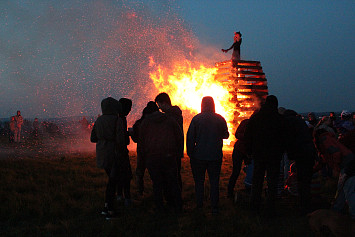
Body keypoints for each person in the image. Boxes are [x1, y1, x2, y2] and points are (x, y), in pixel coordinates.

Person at [244, 95, 287, 215]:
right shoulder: (279, 119)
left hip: (259, 154)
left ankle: (254, 206)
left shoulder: (256, 117)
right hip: (274, 156)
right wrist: (282, 150)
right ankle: (270, 208)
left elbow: (248, 135)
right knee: (272, 182)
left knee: (257, 181)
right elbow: (285, 137)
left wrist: (249, 151)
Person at [187, 96, 229, 214]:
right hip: (215, 156)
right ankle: (214, 207)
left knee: (199, 182)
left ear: (202, 104)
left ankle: (199, 205)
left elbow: (190, 138)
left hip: (199, 156)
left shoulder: (196, 119)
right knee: (214, 181)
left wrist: (191, 153)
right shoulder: (220, 119)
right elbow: (226, 135)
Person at [138, 106, 183, 212]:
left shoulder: (145, 123)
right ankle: (177, 206)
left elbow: (141, 142)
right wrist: (177, 152)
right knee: (173, 182)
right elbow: (179, 137)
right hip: (169, 156)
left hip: (152, 157)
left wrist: (143, 157)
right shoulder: (170, 120)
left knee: (157, 183)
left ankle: (159, 207)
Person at [90, 97, 125, 220]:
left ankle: (107, 207)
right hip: (113, 154)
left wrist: (102, 139)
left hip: (102, 154)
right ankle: (109, 209)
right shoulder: (117, 120)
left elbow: (92, 138)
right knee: (113, 182)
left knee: (111, 180)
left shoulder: (98, 120)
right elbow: (121, 140)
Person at [313, 128, 355, 218]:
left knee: (348, 190)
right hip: (348, 164)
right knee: (342, 189)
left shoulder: (324, 139)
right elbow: (323, 161)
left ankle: (352, 214)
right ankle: (337, 210)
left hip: (348, 165)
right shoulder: (328, 139)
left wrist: (335, 168)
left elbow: (336, 153)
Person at [284, 109, 317, 213]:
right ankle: (307, 202)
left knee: (302, 180)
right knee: (306, 179)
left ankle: (304, 206)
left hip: (301, 153)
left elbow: (289, 139)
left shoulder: (289, 122)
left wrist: (290, 153)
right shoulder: (300, 121)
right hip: (309, 151)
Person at [155, 93, 184, 189]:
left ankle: (174, 199)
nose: (160, 109)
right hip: (175, 151)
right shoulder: (176, 115)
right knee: (175, 175)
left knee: (171, 177)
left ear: (164, 103)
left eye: (160, 106)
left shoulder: (169, 117)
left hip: (170, 151)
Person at [131, 101, 159, 196]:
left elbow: (135, 139)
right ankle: (157, 193)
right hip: (155, 151)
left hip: (142, 150)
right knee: (155, 174)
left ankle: (140, 192)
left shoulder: (139, 123)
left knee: (140, 172)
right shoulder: (159, 122)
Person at [227, 119, 250, 198]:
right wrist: (247, 137)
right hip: (239, 150)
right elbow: (237, 134)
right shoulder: (246, 122)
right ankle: (230, 192)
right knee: (236, 171)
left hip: (249, 151)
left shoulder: (260, 124)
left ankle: (249, 189)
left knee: (250, 171)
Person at [117, 98, 133, 206]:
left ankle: (119, 196)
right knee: (126, 175)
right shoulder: (121, 119)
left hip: (114, 152)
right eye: (129, 108)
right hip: (121, 152)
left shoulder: (116, 117)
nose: (130, 110)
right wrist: (129, 133)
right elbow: (123, 138)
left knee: (118, 175)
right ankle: (127, 198)